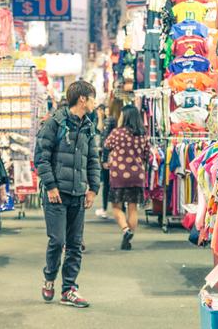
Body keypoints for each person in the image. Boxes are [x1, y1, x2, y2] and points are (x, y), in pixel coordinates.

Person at [34, 81, 101, 308]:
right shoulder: (54, 123)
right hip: (56, 194)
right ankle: (50, 277)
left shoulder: (89, 126)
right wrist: (51, 186)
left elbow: (92, 159)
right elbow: (41, 157)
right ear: (82, 99)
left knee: (75, 243)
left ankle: (69, 289)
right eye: (93, 97)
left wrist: (93, 188)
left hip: (78, 194)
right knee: (57, 240)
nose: (95, 102)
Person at [104, 105, 150, 250]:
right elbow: (147, 155)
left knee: (116, 207)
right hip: (137, 176)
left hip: (119, 176)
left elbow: (107, 145)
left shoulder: (117, 133)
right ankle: (129, 237)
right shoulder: (143, 135)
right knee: (133, 208)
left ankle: (125, 230)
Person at [97, 99, 123, 219]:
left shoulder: (110, 120)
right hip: (121, 157)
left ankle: (104, 208)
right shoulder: (122, 121)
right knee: (119, 183)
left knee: (107, 183)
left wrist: (104, 159)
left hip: (110, 156)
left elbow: (106, 140)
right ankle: (122, 208)